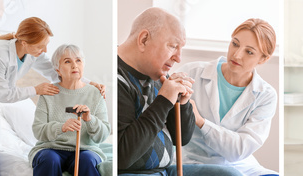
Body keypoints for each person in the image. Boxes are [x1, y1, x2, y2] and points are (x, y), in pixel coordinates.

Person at [0, 16, 104, 176]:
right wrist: (35, 90)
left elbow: (55, 73)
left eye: (46, 45)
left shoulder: (32, 53)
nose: (44, 50)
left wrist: (91, 83)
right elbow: (3, 95)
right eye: (40, 46)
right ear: (24, 42)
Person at [116, 7, 242, 176]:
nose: (178, 58)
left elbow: (181, 138)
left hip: (166, 170)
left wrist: (182, 105)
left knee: (231, 175)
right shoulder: (115, 78)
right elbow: (123, 156)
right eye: (173, 46)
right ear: (144, 39)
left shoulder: (157, 74)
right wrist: (164, 100)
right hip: (133, 173)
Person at [176, 18, 278, 176]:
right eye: (235, 44)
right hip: (194, 161)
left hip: (240, 165)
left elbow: (240, 149)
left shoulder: (266, 95)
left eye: (249, 52)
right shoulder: (192, 73)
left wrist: (201, 121)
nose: (236, 55)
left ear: (263, 59)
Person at [29, 44, 111, 176]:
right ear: (57, 69)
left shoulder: (96, 94)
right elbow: (38, 130)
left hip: (85, 150)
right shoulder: (48, 92)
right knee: (49, 159)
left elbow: (104, 135)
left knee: (87, 160)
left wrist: (90, 120)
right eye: (67, 61)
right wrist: (61, 128)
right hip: (51, 149)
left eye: (78, 60)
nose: (74, 65)